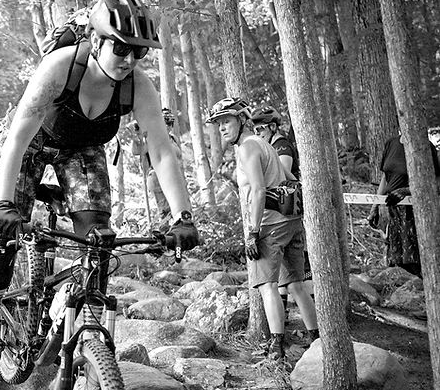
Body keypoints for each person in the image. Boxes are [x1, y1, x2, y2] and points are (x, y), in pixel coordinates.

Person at [0, 0, 200, 365]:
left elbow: (161, 151)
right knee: (3, 235)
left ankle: (89, 327)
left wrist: (183, 217)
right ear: (96, 40)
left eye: (139, 52)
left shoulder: (137, 86)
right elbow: (17, 137)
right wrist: (3, 205)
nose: (129, 60)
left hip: (83, 151)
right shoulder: (61, 67)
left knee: (98, 239)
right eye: (121, 49)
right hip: (34, 143)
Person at [207, 97, 318, 360]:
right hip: (290, 222)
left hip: (269, 224)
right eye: (219, 123)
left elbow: (258, 190)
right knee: (296, 285)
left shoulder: (247, 147)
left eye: (227, 121)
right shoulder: (263, 144)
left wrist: (254, 232)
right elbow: (290, 178)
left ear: (242, 120)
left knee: (267, 286)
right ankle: (316, 339)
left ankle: (276, 348)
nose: (222, 128)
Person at [250, 105, 312, 310]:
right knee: (288, 279)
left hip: (283, 213)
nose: (258, 134)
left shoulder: (281, 145)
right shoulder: (269, 145)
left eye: (262, 130)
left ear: (273, 127)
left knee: (287, 278)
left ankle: (284, 317)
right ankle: (284, 314)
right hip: (280, 212)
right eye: (255, 130)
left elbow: (285, 176)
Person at [368, 131, 440, 277]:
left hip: (414, 213)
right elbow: (385, 178)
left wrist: (408, 191)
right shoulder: (391, 144)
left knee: (413, 260)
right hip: (393, 210)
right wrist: (374, 207)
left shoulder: (425, 147)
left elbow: (434, 181)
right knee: (396, 259)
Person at [132, 108, 184, 224]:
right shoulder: (152, 139)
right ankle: (166, 236)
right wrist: (137, 137)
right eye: (165, 123)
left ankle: (176, 232)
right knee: (166, 212)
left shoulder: (173, 138)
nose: (168, 126)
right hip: (158, 177)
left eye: (170, 123)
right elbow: (137, 150)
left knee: (178, 210)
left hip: (174, 177)